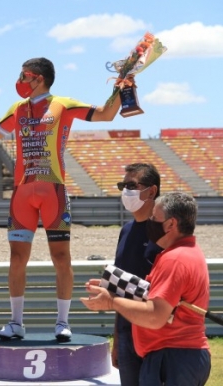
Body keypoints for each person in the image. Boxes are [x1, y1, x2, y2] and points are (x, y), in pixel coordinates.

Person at [0, 57, 124, 341]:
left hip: (53, 189)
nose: (20, 80)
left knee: (61, 258)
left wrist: (122, 85)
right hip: (22, 191)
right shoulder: (18, 109)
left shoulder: (63, 105)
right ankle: (16, 323)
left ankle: (62, 322)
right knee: (17, 258)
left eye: (24, 75)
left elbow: (107, 114)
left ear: (39, 78)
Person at [81, 192, 211, 385]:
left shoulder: (175, 259)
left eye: (154, 218)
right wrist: (117, 287)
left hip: (172, 358)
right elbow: (158, 298)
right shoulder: (188, 253)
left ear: (171, 224)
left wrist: (111, 301)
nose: (150, 223)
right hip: (179, 358)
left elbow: (155, 316)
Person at [113, 163, 162, 385]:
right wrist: (117, 340)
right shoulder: (125, 230)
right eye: (123, 185)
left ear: (151, 191)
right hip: (126, 334)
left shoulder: (165, 231)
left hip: (156, 335)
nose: (126, 191)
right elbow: (117, 289)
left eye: (131, 185)